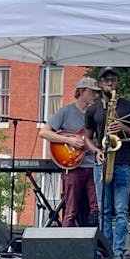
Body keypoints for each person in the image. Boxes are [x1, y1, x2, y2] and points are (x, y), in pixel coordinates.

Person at [84, 67, 130, 259]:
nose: (110, 82)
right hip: (101, 162)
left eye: (113, 79)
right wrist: (96, 151)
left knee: (121, 210)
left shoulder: (129, 106)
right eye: (106, 80)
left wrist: (122, 127)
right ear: (100, 84)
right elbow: (87, 138)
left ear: (118, 83)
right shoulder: (92, 109)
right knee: (103, 211)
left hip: (123, 162)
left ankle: (118, 252)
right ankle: (106, 251)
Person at [41, 76, 102, 227]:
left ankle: (95, 243)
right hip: (73, 167)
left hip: (93, 166)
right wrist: (69, 141)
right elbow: (44, 132)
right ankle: (65, 242)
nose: (95, 95)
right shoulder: (65, 112)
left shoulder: (97, 114)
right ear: (81, 91)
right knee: (71, 209)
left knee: (96, 208)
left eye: (96, 92)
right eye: (92, 92)